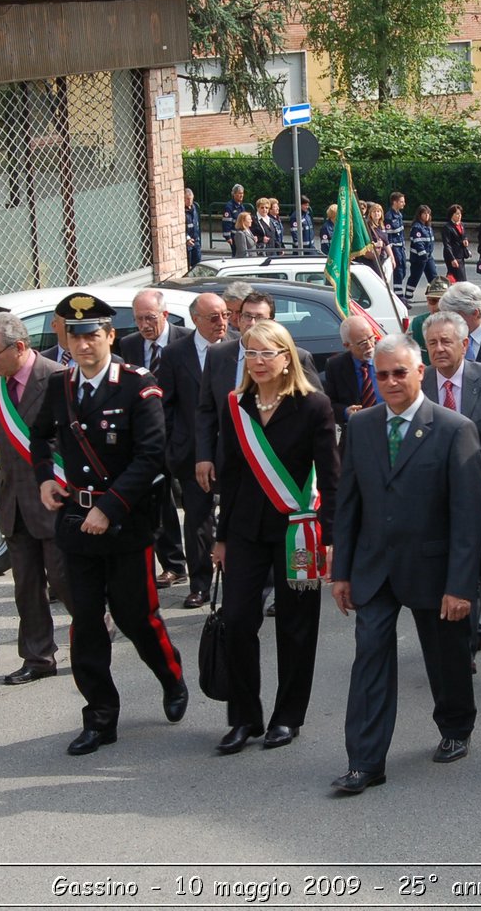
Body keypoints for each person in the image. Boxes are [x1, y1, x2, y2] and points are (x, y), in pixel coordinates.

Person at [29, 293, 189, 756]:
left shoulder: (138, 386)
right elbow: (38, 437)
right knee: (86, 623)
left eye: (92, 335)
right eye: (74, 336)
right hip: (76, 522)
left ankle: (171, 676)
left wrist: (110, 508)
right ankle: (100, 716)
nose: (83, 345)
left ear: (110, 336)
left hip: (126, 527)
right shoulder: (60, 386)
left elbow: (151, 456)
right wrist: (44, 479)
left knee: (136, 618)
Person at [329, 334, 481, 795]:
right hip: (375, 570)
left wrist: (460, 586)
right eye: (382, 375)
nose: (392, 382)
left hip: (434, 572)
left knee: (446, 657)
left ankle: (456, 727)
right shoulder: (361, 426)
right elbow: (349, 503)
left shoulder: (455, 429)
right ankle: (365, 761)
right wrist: (342, 572)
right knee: (370, 658)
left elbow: (466, 517)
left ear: (421, 372)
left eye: (400, 372)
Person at [211, 320, 339, 753]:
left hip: (297, 532)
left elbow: (333, 478)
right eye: (251, 353)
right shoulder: (237, 405)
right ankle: (245, 716)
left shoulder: (313, 406)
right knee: (239, 620)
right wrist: (221, 536)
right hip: (246, 531)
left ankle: (287, 716)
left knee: (296, 625)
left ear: (287, 358)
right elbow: (228, 474)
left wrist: (333, 538)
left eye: (268, 353)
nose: (259, 362)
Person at [0, 312, 70, 685]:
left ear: (19, 347)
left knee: (64, 581)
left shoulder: (58, 378)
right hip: (13, 499)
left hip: (54, 498)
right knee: (26, 586)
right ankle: (38, 656)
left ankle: (96, 626)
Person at [422, 311, 481, 665]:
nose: (440, 349)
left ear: (464, 344)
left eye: (446, 341)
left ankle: (463, 649)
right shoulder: (418, 382)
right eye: (432, 343)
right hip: (429, 493)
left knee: (465, 560)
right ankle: (470, 623)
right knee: (446, 563)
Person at [195, 291, 322, 497]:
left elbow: (315, 414)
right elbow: (206, 412)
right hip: (233, 463)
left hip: (282, 467)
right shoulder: (217, 354)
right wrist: (204, 456)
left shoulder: (298, 357)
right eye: (246, 316)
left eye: (259, 317)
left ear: (272, 321)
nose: (252, 323)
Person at [156, 293, 231, 609]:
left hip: (235, 450)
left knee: (236, 518)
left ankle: (242, 582)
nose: (222, 323)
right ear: (195, 320)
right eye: (213, 317)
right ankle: (200, 584)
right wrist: (176, 445)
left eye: (225, 315)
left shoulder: (240, 345)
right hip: (192, 453)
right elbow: (166, 404)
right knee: (198, 519)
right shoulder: (175, 354)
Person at [119, 290, 189, 588]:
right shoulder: (129, 344)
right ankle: (173, 564)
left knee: (196, 503)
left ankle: (205, 558)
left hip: (182, 433)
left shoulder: (185, 340)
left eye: (150, 318)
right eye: (139, 319)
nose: (145, 325)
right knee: (159, 501)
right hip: (148, 436)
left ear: (165, 314)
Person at [324, 315, 381, 439]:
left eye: (371, 338)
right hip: (356, 435)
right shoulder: (336, 366)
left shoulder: (387, 357)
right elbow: (328, 405)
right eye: (362, 343)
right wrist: (345, 412)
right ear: (347, 345)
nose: (370, 345)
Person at [408, 276, 451, 354]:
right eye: (433, 301)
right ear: (427, 301)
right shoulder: (416, 325)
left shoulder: (461, 325)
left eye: (443, 301)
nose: (438, 306)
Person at [405, 205, 440, 297]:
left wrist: (428, 254)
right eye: (424, 213)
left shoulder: (428, 226)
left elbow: (430, 242)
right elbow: (418, 243)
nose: (427, 215)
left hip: (428, 257)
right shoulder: (417, 227)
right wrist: (423, 254)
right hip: (418, 258)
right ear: (419, 215)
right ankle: (408, 295)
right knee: (415, 277)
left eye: (428, 213)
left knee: (433, 275)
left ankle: (435, 295)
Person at [385, 192, 408, 295]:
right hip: (394, 247)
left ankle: (399, 293)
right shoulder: (389, 216)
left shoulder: (399, 214)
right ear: (395, 202)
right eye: (401, 201)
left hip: (400, 247)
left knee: (403, 270)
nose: (404, 203)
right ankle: (399, 295)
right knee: (398, 271)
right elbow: (388, 235)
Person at [442, 204, 471, 284]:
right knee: (460, 279)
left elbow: (464, 236)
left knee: (455, 277)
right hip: (452, 255)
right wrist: (452, 258)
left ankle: (450, 292)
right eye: (457, 214)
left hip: (460, 255)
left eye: (460, 214)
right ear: (452, 215)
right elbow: (447, 244)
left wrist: (465, 240)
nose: (459, 216)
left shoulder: (461, 225)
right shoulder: (447, 227)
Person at [222, 183, 246, 248]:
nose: (241, 195)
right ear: (234, 194)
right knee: (236, 254)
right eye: (239, 193)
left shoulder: (241, 206)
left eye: (242, 193)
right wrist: (228, 237)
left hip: (241, 234)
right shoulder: (229, 207)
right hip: (234, 235)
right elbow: (226, 223)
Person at [183, 189, 202, 268]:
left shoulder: (195, 207)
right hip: (188, 244)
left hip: (196, 241)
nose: (189, 201)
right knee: (188, 266)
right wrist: (187, 238)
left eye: (191, 198)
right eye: (187, 199)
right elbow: (182, 228)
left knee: (197, 265)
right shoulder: (182, 210)